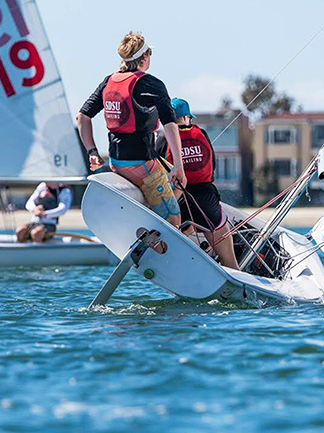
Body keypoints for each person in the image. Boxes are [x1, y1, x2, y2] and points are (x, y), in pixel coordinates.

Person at [76, 31, 186, 227]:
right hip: (142, 165)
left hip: (116, 162)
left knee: (175, 181)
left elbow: (82, 117)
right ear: (145, 56)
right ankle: (159, 240)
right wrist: (179, 165)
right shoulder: (151, 84)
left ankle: (152, 218)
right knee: (173, 217)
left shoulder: (109, 81)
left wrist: (92, 152)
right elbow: (170, 125)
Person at [155, 98, 238, 269]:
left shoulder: (163, 138)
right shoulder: (202, 133)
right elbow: (212, 166)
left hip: (179, 201)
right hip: (207, 200)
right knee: (230, 263)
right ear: (185, 118)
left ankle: (188, 230)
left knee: (178, 233)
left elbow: (155, 169)